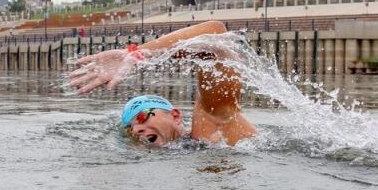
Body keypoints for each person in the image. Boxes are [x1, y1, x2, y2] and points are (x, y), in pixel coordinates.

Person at [67, 20, 256, 147]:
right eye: (130, 129)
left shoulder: (211, 125)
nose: (136, 129)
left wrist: (137, 53)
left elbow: (215, 33)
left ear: (175, 116)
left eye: (142, 118)